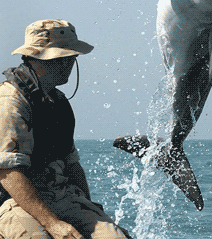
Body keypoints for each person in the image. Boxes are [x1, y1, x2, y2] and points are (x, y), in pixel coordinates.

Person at [0, 19, 131, 239]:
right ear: (40, 58)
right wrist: (53, 224)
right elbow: (8, 173)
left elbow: (71, 163)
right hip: (11, 199)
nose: (69, 63)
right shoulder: (10, 102)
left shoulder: (57, 101)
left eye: (71, 57)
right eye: (64, 57)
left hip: (59, 194)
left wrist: (89, 208)